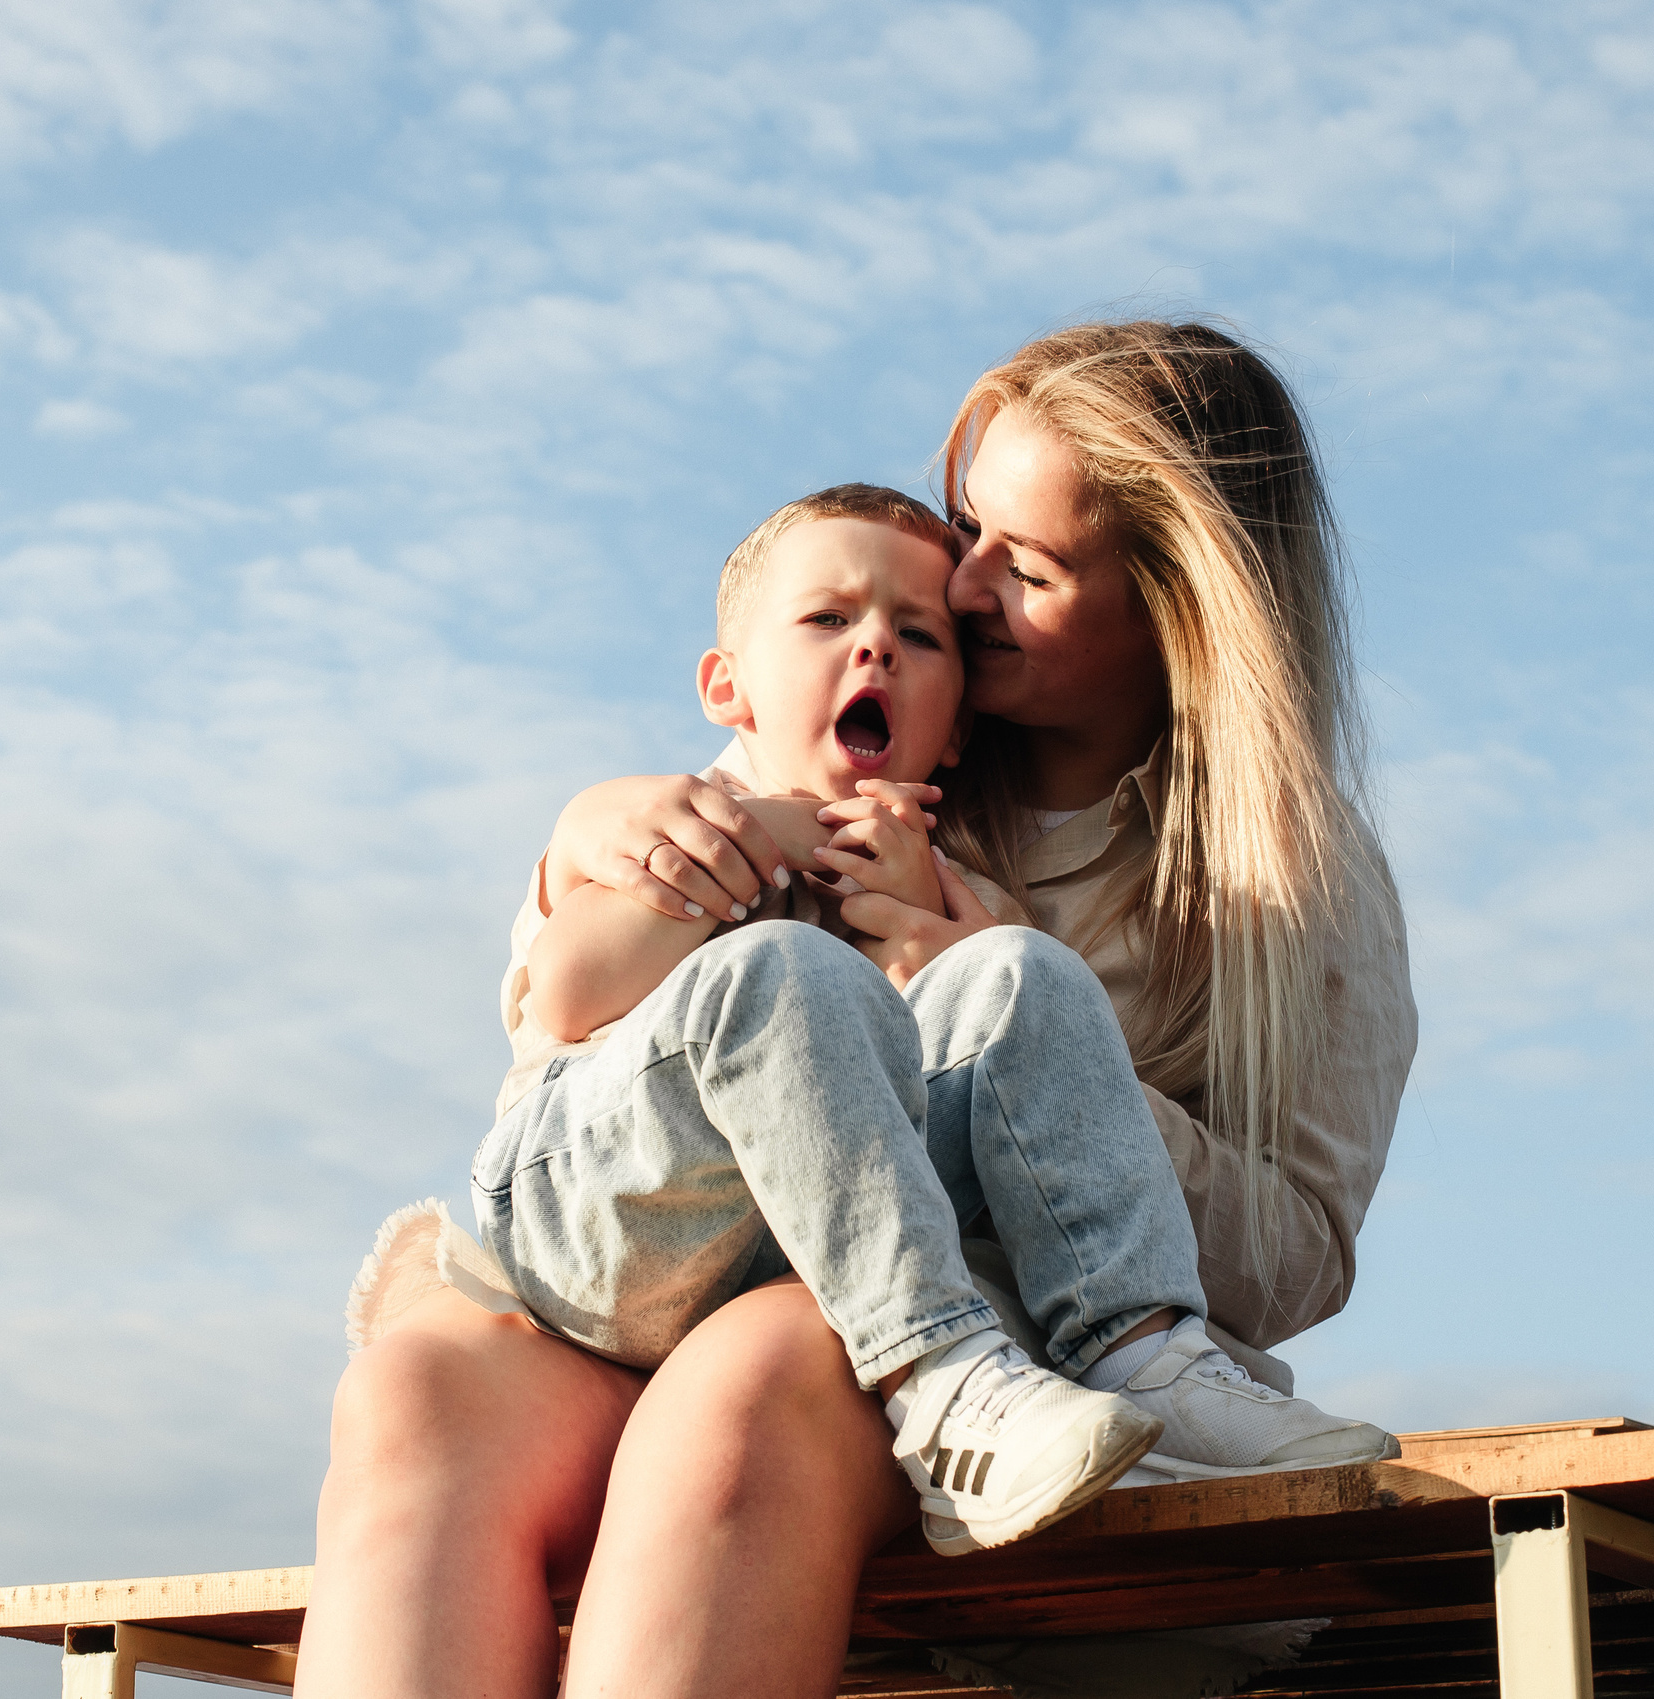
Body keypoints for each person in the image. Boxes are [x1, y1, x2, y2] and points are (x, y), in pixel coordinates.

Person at [295, 320, 1417, 1699]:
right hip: (691, 1270)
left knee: (754, 1368)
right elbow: (577, 1002)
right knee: (418, 1394)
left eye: (1030, 568)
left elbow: (1297, 1257)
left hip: (981, 1344)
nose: (968, 580)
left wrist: (1029, 1040)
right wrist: (585, 834)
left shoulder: (1286, 875)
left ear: (1173, 613)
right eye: (971, 526)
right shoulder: (876, 726)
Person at [477, 478, 1178, 1553]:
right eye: (826, 618)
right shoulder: (695, 828)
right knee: (783, 969)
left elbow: (980, 1118)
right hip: (594, 1213)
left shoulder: (953, 893)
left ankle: (1147, 1356)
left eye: (919, 636)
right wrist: (768, 837)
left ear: (955, 732)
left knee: (1022, 973)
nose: (876, 646)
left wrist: (912, 938)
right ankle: (941, 1387)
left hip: (789, 1262)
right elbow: (568, 991)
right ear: (729, 686)